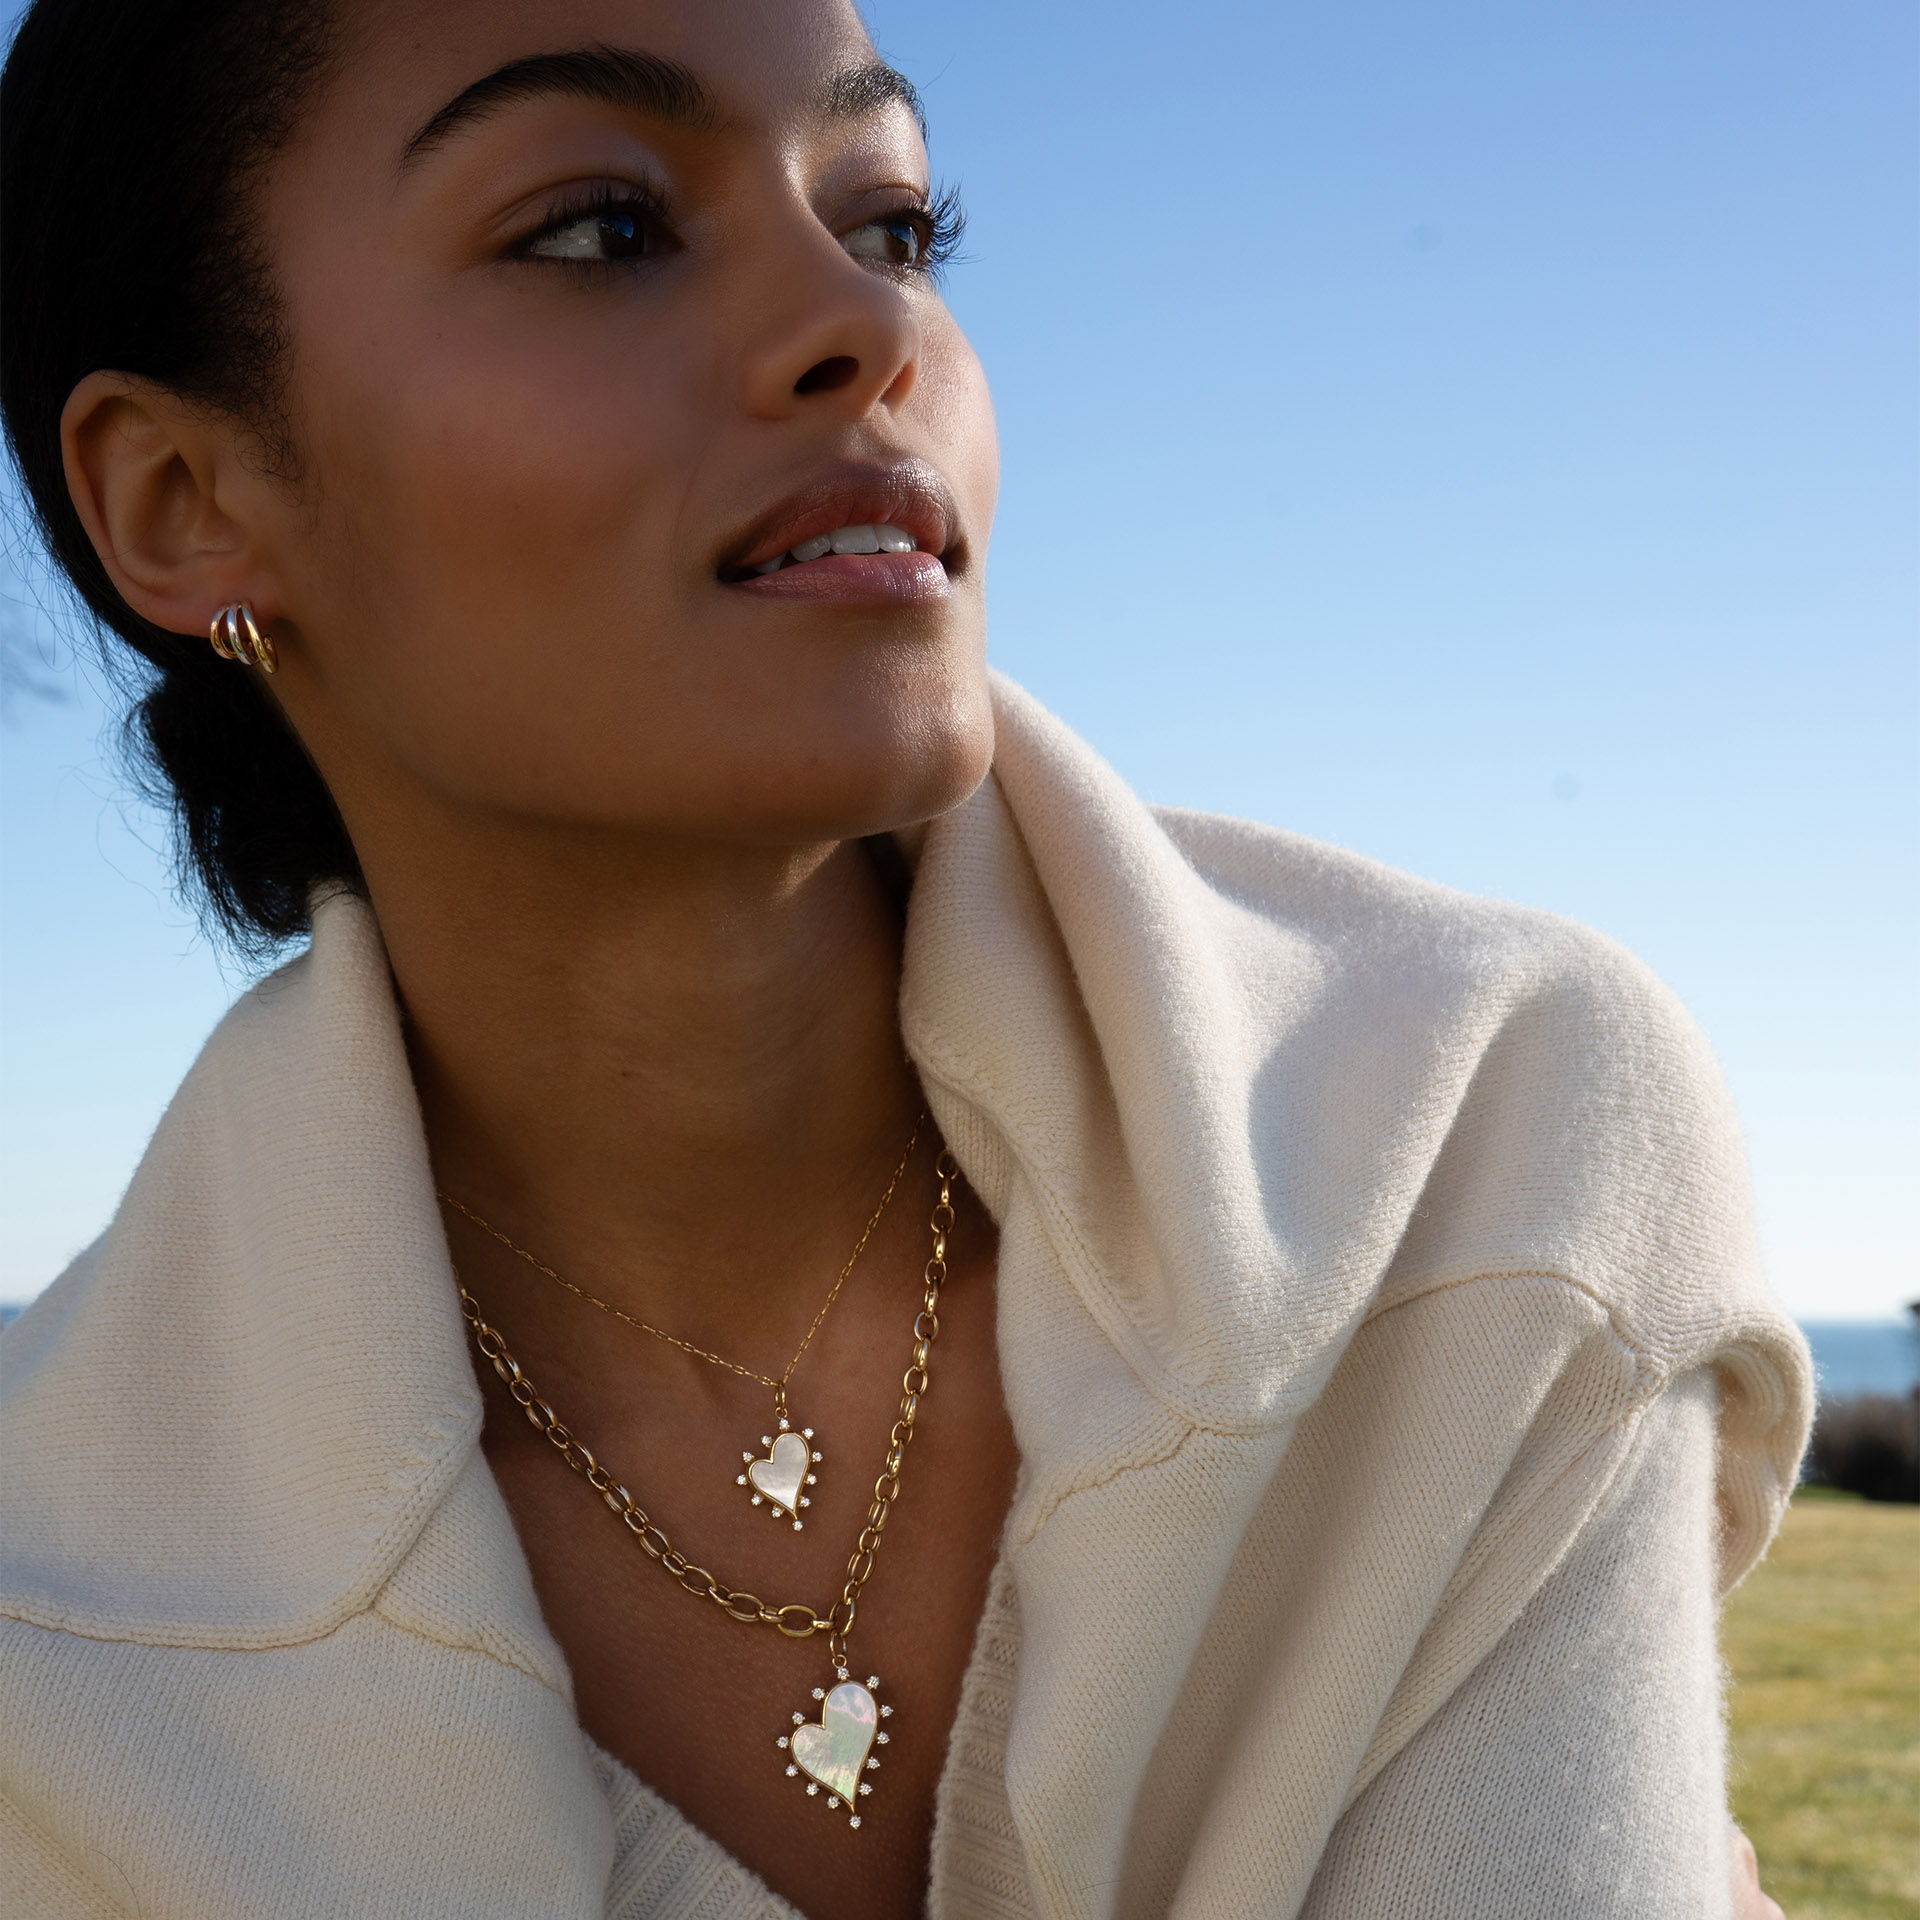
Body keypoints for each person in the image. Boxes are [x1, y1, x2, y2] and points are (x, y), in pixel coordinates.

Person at [0, 1, 1809, 1915]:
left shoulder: (1482, 1144)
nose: (877, 330)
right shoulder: (55, 1627)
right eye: (603, 227)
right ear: (185, 502)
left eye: (892, 224)